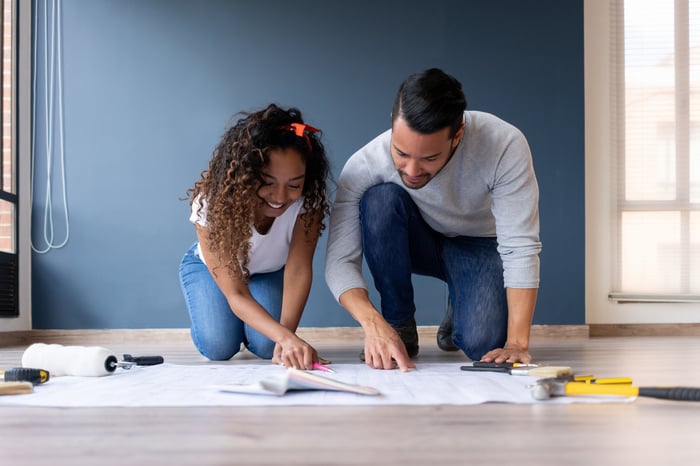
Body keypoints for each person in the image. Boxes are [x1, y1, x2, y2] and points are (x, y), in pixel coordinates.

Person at [325, 68, 541, 371]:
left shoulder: (503, 144)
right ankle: (398, 325)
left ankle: (461, 295)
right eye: (401, 153)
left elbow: (520, 247)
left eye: (429, 158)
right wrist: (373, 323)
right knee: (380, 201)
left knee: (484, 345)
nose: (412, 170)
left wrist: (518, 343)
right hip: (419, 239)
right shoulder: (364, 165)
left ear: (458, 135)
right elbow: (339, 262)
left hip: (479, 245)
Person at [179, 103, 331, 371]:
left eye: (294, 185)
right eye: (267, 183)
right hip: (214, 271)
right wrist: (286, 337)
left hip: (268, 271)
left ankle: (256, 328)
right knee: (218, 346)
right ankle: (219, 319)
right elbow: (236, 292)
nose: (281, 197)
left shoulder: (308, 203)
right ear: (245, 175)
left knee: (266, 347)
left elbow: (297, 270)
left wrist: (287, 340)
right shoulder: (210, 204)